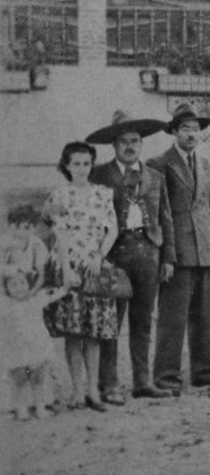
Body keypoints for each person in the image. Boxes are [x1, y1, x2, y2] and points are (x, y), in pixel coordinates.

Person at [86, 111, 175, 403]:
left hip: (148, 252)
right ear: (113, 145)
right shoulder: (99, 174)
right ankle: (109, 384)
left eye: (134, 141)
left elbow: (165, 218)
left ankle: (142, 381)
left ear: (141, 144)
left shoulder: (155, 177)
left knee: (143, 321)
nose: (129, 146)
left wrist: (168, 258)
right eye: (123, 141)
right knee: (112, 320)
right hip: (114, 253)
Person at [147, 105, 210, 393]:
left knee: (206, 316)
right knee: (172, 317)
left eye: (195, 129)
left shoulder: (207, 165)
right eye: (185, 129)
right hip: (177, 251)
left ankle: (205, 371)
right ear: (174, 132)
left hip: (205, 250)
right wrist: (166, 255)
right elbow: (158, 212)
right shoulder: (159, 164)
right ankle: (166, 376)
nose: (192, 134)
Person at [42, 142, 120, 411]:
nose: (82, 169)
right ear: (66, 165)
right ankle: (76, 390)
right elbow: (59, 234)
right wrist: (66, 269)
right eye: (76, 163)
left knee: (94, 332)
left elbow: (112, 229)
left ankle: (92, 391)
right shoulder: (59, 195)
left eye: (86, 163)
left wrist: (99, 256)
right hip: (69, 264)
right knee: (73, 332)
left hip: (94, 265)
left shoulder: (102, 193)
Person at [1, 206, 67, 420]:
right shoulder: (4, 243)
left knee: (37, 358)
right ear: (10, 226)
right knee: (16, 359)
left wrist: (31, 291)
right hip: (9, 293)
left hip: (30, 292)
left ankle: (42, 401)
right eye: (17, 227)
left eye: (27, 227)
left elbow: (40, 274)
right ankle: (16, 404)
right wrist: (8, 292)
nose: (22, 231)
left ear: (33, 227)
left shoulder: (36, 244)